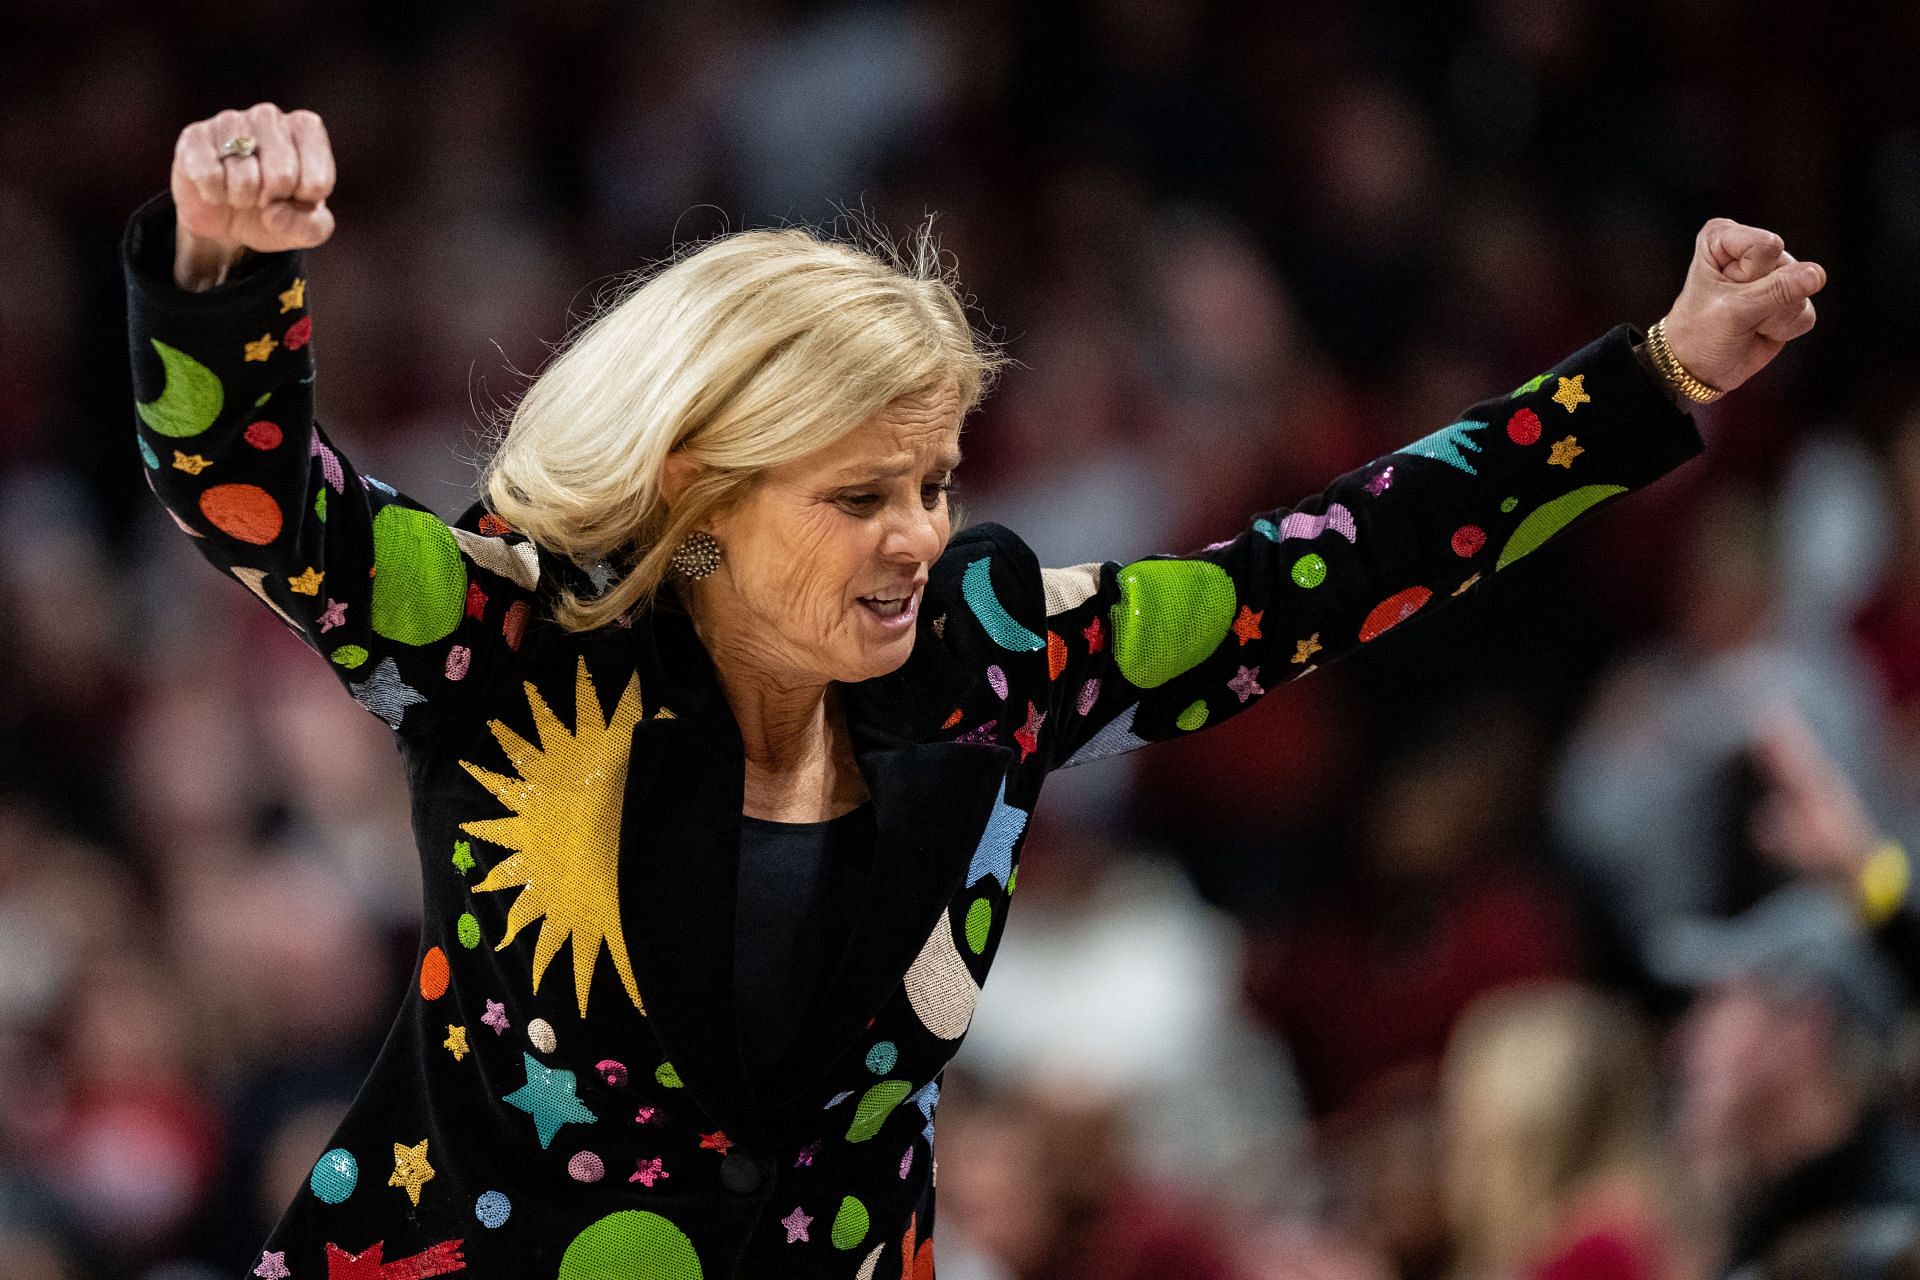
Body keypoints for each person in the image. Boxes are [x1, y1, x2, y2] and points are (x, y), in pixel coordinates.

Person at [124, 101, 1823, 1279]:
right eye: (859, 497)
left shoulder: (997, 652)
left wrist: (1653, 377)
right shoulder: (506, 643)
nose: (921, 534)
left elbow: (1328, 568)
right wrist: (223, 277)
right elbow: (260, 490)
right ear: (703, 491)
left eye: (933, 482)